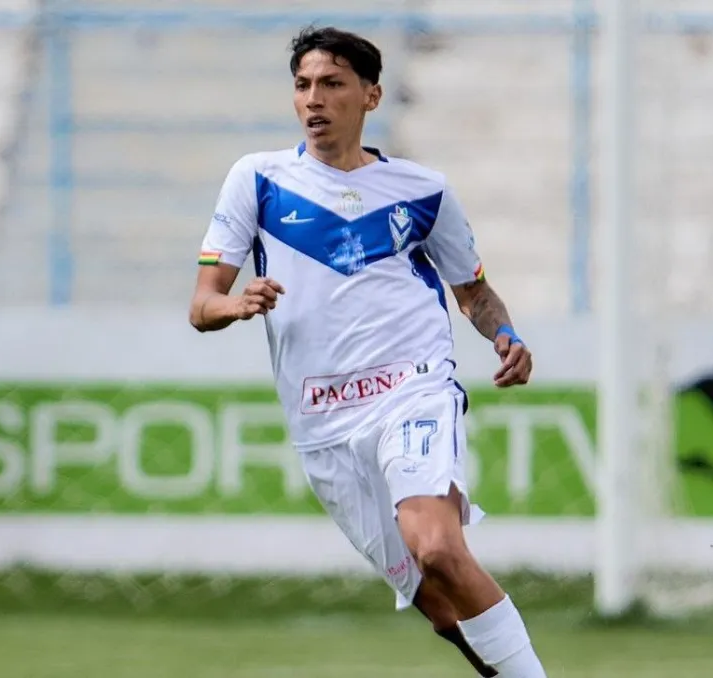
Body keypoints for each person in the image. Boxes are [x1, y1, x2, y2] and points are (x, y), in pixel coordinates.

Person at [189, 26, 546, 678]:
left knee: (438, 548)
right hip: (322, 420)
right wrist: (235, 305)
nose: (313, 99)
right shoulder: (258, 179)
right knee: (439, 606)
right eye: (303, 85)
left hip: (412, 386)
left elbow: (473, 293)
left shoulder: (423, 191)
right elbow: (201, 305)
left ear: (371, 95)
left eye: (332, 84)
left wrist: (507, 335)